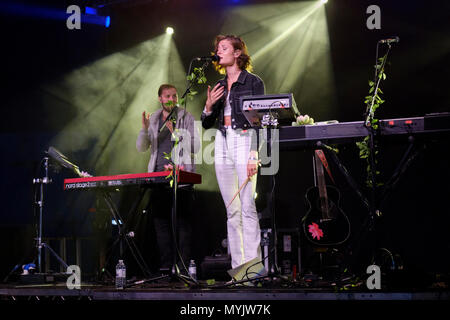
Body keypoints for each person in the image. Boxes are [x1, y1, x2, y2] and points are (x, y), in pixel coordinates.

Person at [201, 35, 265, 272]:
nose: (219, 52)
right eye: (217, 49)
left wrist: (253, 153)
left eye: (224, 48)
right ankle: (238, 269)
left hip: (244, 138)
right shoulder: (218, 86)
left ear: (237, 53)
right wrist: (208, 107)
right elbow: (207, 123)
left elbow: (259, 122)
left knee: (247, 206)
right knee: (232, 209)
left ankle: (253, 269)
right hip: (222, 139)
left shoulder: (253, 82)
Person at [136, 84, 199, 274]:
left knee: (182, 224)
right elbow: (141, 147)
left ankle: (182, 268)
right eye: (167, 96)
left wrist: (176, 134)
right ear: (160, 99)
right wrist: (144, 129)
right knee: (161, 224)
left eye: (174, 95)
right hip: (158, 178)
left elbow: (195, 147)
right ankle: (166, 268)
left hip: (181, 177)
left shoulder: (186, 117)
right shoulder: (154, 118)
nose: (171, 99)